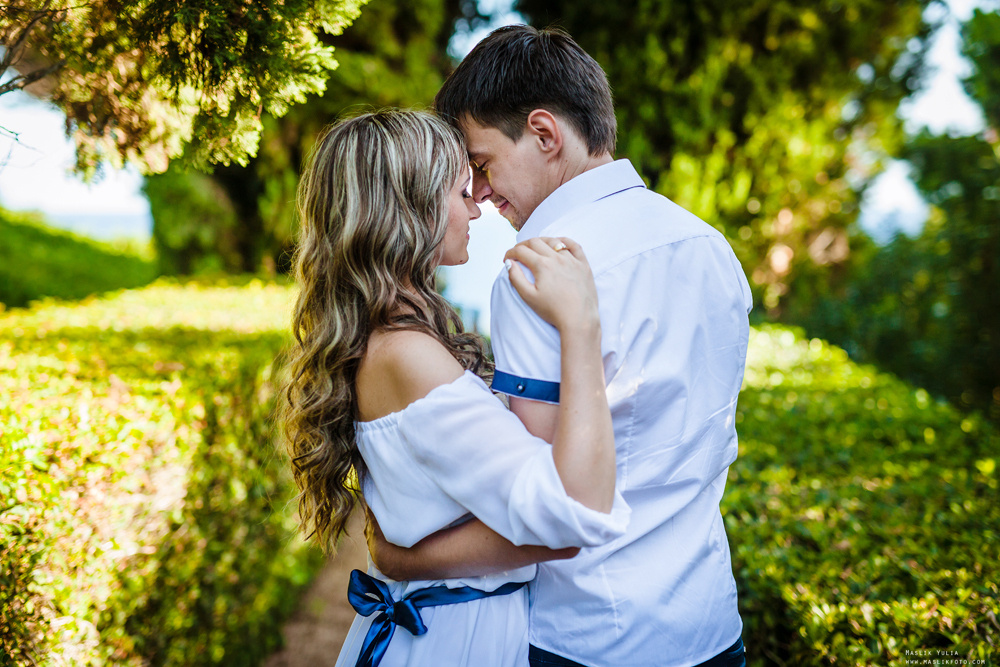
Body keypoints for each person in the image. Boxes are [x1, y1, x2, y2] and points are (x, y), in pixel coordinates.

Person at [368, 26, 754, 667]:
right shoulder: (710, 245)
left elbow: (548, 507)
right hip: (712, 621)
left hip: (587, 635)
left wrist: (403, 556)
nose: (482, 197)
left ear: (545, 134)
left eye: (483, 164)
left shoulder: (534, 275)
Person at [281, 109, 630, 667]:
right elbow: (574, 516)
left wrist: (406, 558)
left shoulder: (389, 340)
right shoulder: (407, 355)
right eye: (461, 191)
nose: (476, 208)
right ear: (409, 211)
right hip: (456, 641)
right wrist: (580, 327)